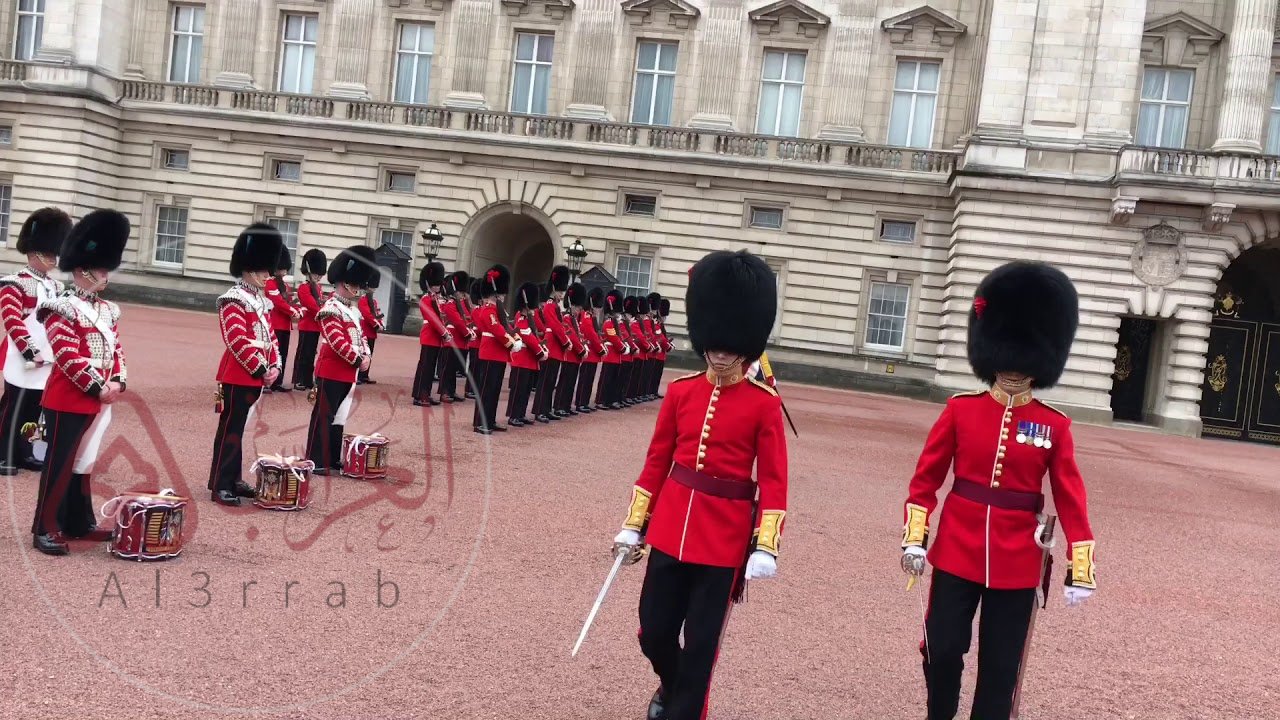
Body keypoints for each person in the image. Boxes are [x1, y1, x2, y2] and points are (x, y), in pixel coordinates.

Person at [899, 260, 1097, 720]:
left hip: (1018, 559)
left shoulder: (1054, 425)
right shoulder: (960, 410)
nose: (1012, 368)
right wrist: (915, 536)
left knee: (1001, 668)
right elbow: (926, 480)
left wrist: (1081, 563)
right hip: (957, 549)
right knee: (942, 647)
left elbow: (1070, 495)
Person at [610, 249, 786, 720]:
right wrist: (634, 524)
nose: (721, 351)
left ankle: (685, 710)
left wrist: (765, 544)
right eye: (715, 343)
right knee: (653, 633)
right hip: (670, 529)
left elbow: (774, 480)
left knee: (702, 645)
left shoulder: (763, 404)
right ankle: (672, 685)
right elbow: (656, 462)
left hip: (724, 540)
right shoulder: (682, 391)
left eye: (731, 344)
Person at [30, 209, 131, 556]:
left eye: (105, 269)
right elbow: (67, 356)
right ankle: (45, 527)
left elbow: (117, 349)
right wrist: (97, 387)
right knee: (60, 462)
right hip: (70, 396)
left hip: (101, 394)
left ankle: (78, 521)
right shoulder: (60, 308)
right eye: (100, 270)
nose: (105, 275)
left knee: (84, 461)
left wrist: (118, 381)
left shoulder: (108, 310)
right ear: (81, 271)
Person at [208, 223, 284, 506]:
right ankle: (220, 484)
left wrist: (275, 366)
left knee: (240, 430)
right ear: (250, 269)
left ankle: (232, 479)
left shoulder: (259, 301)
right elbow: (236, 340)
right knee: (230, 430)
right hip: (238, 375)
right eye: (264, 270)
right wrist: (262, 369)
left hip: (255, 375)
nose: (268, 275)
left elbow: (271, 338)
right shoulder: (233, 299)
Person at [0, 207, 71, 475]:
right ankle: (4, 454)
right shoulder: (15, 283)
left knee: (34, 409)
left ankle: (24, 451)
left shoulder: (56, 287)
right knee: (13, 408)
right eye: (49, 253)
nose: (54, 259)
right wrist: (30, 352)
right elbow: (12, 321)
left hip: (47, 356)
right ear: (34, 253)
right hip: (22, 357)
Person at [305, 246, 375, 474]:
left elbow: (361, 337)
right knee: (324, 416)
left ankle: (332, 457)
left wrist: (367, 355)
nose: (358, 289)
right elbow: (336, 341)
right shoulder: (331, 308)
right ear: (345, 283)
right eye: (355, 285)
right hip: (332, 370)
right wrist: (358, 359)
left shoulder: (351, 311)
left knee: (339, 417)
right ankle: (316, 459)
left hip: (348, 372)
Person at [471, 264, 521, 434]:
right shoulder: (488, 310)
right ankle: (480, 422)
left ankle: (490, 420)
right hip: (490, 354)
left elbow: (507, 327)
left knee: (494, 391)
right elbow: (497, 329)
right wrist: (511, 343)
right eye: (503, 294)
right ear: (497, 294)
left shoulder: (499, 311)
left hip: (498, 354)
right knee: (486, 391)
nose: (504, 297)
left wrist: (516, 338)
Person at [533, 265, 571, 423]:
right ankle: (539, 410)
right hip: (552, 346)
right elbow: (555, 326)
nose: (562, 294)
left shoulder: (555, 305)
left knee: (550, 382)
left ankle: (546, 409)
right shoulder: (550, 305)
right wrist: (566, 341)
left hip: (556, 347)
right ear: (554, 288)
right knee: (545, 381)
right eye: (560, 291)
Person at [506, 282, 547, 427]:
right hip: (522, 359)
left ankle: (521, 414)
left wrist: (540, 346)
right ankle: (513, 416)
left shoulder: (528, 317)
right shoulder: (521, 318)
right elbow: (527, 336)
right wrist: (540, 350)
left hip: (529, 360)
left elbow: (534, 334)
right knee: (518, 390)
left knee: (526, 390)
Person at [413, 261, 451, 407]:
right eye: (435, 284)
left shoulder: (436, 299)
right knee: (425, 368)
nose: (438, 286)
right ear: (428, 284)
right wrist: (444, 333)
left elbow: (442, 317)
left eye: (438, 284)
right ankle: (420, 395)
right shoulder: (426, 299)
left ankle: (426, 393)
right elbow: (432, 319)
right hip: (429, 336)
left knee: (430, 368)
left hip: (436, 338)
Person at [264, 246, 302, 392]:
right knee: (272, 353)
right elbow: (279, 302)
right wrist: (293, 311)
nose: (284, 272)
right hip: (275, 324)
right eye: (282, 269)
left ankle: (278, 381)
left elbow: (289, 302)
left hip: (285, 325)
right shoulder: (270, 283)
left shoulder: (284, 285)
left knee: (283, 354)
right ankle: (268, 382)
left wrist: (299, 310)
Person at [291, 249, 327, 391]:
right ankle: (298, 379)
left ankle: (307, 379)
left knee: (311, 354)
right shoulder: (304, 288)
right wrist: (322, 312)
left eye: (320, 274)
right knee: (303, 354)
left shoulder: (318, 288)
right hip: (306, 326)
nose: (318, 277)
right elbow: (311, 305)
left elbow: (319, 303)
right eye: (316, 274)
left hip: (315, 326)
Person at [436, 271, 472, 403]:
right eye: (461, 292)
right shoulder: (450, 304)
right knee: (448, 368)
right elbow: (457, 321)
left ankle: (451, 390)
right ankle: (444, 391)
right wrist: (467, 332)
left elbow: (469, 316)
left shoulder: (461, 303)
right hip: (452, 340)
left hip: (460, 341)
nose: (463, 295)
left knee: (454, 368)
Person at [554, 282, 588, 418]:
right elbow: (571, 336)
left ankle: (566, 406)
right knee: (564, 382)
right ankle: (558, 406)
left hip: (575, 356)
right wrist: (581, 349)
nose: (579, 311)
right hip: (570, 355)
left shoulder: (574, 319)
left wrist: (583, 345)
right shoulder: (567, 317)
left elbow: (578, 335)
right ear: (572, 305)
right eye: (577, 308)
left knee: (571, 382)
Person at [574, 287, 606, 414]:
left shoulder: (591, 316)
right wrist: (600, 348)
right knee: (585, 380)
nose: (599, 310)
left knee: (589, 380)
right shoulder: (586, 316)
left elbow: (596, 334)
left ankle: (585, 402)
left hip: (593, 354)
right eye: (598, 307)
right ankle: (580, 402)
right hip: (590, 352)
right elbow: (591, 335)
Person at [594, 289, 627, 411]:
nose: (618, 315)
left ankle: (609, 400)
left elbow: (619, 336)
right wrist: (622, 347)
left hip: (616, 356)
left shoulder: (615, 323)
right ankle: (601, 400)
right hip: (611, 355)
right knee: (606, 380)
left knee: (613, 380)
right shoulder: (608, 323)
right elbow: (613, 337)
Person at [357, 273, 385, 385]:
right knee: (363, 353)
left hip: (372, 331)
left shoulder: (374, 301)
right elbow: (367, 314)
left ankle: (364, 375)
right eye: (372, 287)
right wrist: (376, 325)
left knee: (370, 353)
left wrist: (381, 323)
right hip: (365, 330)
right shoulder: (363, 299)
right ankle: (359, 375)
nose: (373, 290)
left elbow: (377, 314)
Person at [465, 278, 483, 400]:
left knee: (479, 369)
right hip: (476, 343)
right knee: (474, 368)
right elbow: (481, 327)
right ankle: (469, 389)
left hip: (480, 344)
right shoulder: (477, 311)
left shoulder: (482, 309)